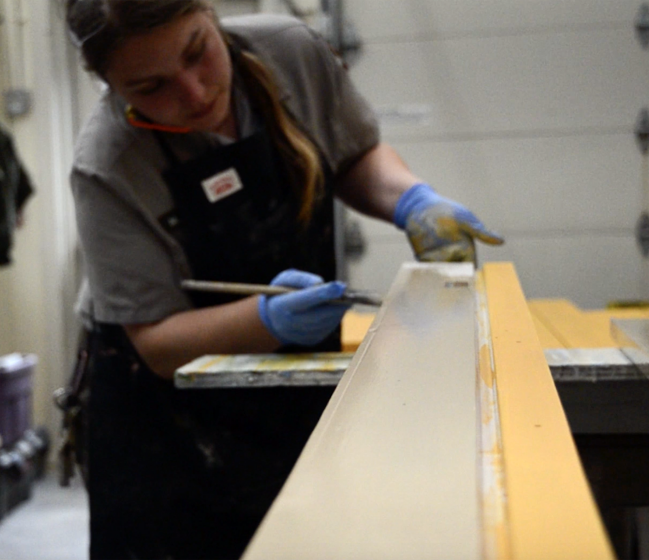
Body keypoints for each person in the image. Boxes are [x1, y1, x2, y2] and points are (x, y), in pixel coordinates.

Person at [62, 1, 503, 558]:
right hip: (163, 425)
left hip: (287, 387)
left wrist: (412, 200)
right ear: (110, 86)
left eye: (199, 52)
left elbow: (353, 154)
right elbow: (156, 342)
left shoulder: (290, 54)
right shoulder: (108, 164)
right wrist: (265, 319)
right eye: (151, 87)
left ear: (210, 12)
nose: (195, 94)